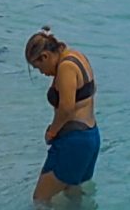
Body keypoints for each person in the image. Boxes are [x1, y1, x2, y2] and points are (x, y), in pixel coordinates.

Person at [25, 30, 99, 199]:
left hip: (73, 141)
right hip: (90, 136)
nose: (42, 73)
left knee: (41, 199)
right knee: (73, 195)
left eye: (39, 67)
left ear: (45, 56)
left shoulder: (66, 67)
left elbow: (66, 108)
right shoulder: (78, 56)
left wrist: (52, 131)